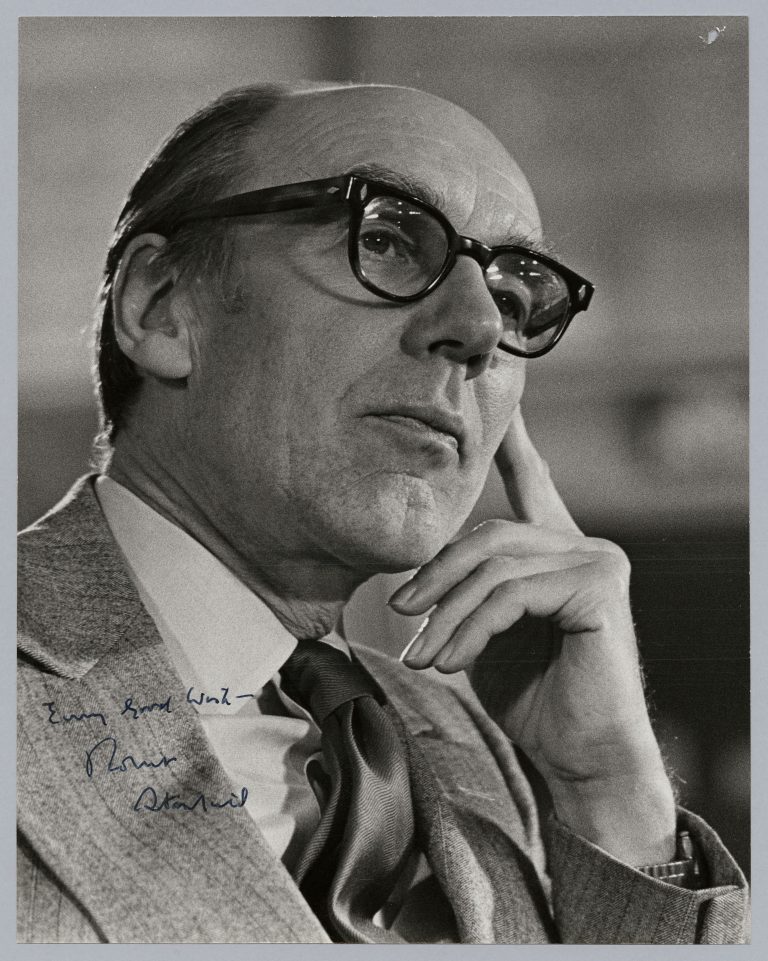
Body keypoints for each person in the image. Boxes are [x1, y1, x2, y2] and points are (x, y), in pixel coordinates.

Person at [17, 82, 748, 944]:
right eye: (389, 240)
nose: (478, 327)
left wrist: (610, 795)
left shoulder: (470, 742)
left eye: (517, 297)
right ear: (162, 304)